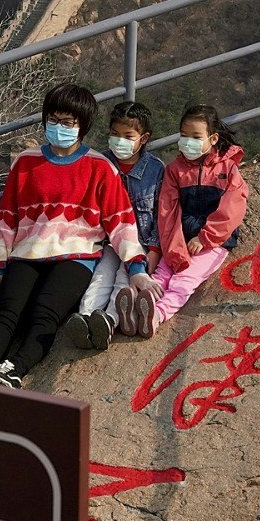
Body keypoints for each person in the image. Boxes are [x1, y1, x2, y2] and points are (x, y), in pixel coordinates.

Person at [0, 82, 151, 387]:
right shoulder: (25, 163)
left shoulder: (100, 167)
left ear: (83, 125)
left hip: (76, 255)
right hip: (27, 252)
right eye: (53, 120)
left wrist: (136, 268)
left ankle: (13, 370)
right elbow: (7, 220)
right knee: (8, 311)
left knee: (45, 312)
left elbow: (121, 223)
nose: (59, 127)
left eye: (68, 122)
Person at [136, 104, 247, 335]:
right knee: (162, 273)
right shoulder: (175, 170)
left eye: (195, 137)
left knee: (185, 279)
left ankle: (157, 315)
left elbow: (232, 209)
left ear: (213, 138)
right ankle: (140, 305)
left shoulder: (227, 169)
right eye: (184, 136)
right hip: (180, 235)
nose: (188, 142)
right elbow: (168, 211)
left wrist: (205, 238)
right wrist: (173, 246)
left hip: (213, 242)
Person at [75, 100, 165, 350]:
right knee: (102, 276)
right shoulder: (101, 163)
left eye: (128, 136)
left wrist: (155, 251)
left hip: (141, 244)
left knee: (124, 280)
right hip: (109, 241)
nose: (119, 141)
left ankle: (110, 319)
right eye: (115, 134)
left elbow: (161, 214)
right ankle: (84, 318)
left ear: (144, 138)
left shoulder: (156, 170)